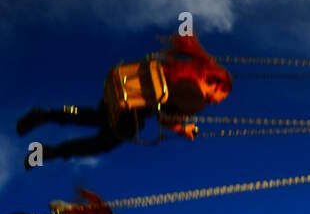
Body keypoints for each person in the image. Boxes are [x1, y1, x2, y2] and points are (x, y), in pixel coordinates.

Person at [17, 34, 232, 166]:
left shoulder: (178, 72)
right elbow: (165, 119)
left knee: (93, 117)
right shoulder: (197, 100)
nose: (217, 102)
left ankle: (46, 114)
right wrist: (182, 129)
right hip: (131, 114)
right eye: (221, 97)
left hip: (122, 91)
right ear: (216, 85)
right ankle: (53, 152)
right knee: (101, 144)